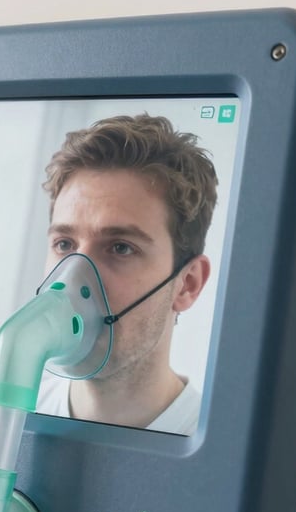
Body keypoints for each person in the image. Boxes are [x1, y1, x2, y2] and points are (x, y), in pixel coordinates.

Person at [36, 113, 218, 434]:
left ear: (187, 284)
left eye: (120, 248)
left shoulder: (220, 452)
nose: (73, 281)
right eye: (64, 244)